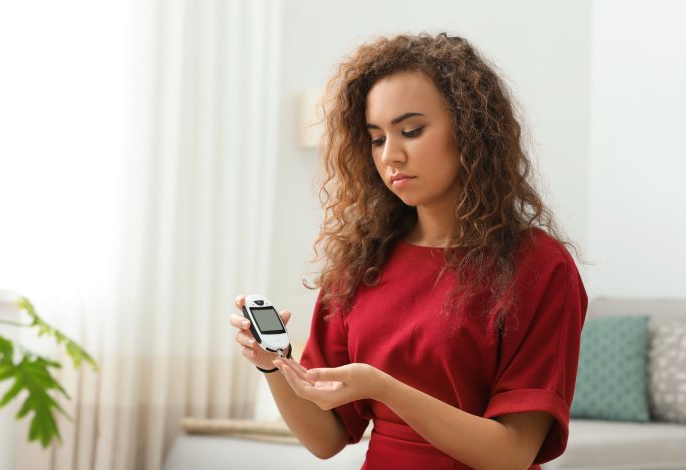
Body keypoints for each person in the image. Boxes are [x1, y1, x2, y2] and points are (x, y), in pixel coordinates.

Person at [229, 32, 587, 470]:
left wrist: (383, 387)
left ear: (470, 130)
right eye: (377, 138)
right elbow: (326, 439)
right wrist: (274, 366)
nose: (391, 156)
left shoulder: (539, 266)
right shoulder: (361, 262)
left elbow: (511, 454)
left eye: (411, 131)